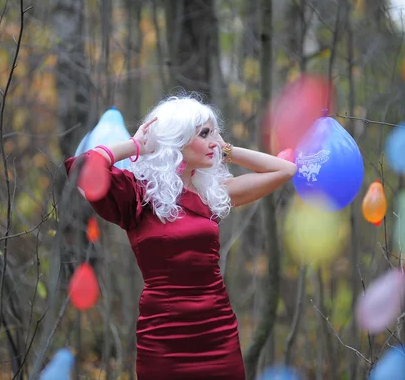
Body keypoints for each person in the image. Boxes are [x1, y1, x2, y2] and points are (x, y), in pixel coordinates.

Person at [65, 95, 297, 380]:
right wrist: (137, 145)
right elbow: (82, 169)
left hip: (218, 335)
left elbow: (285, 169)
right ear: (177, 140)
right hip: (163, 342)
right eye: (204, 133)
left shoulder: (211, 193)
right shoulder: (138, 196)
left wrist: (225, 150)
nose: (215, 140)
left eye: (214, 132)